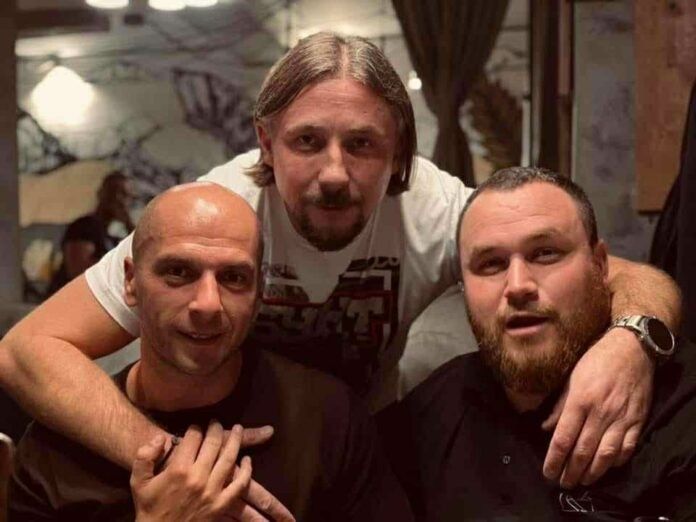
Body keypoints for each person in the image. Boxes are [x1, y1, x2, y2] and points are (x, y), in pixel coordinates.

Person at [0, 32, 681, 494]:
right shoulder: (219, 214)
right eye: (306, 142)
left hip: (359, 454)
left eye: (362, 144)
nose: (334, 173)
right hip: (207, 442)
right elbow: (27, 348)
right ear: (265, 144)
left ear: (400, 152)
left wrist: (632, 343)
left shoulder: (435, 209)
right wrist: (161, 457)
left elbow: (618, 275)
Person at [8, 183, 412, 521]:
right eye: (178, 272)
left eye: (233, 278)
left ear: (259, 294)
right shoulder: (55, 449)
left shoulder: (327, 420)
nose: (208, 304)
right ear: (130, 282)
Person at [380, 167, 696, 521]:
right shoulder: (426, 422)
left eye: (545, 254)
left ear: (600, 265)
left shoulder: (681, 409)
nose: (518, 285)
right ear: (463, 288)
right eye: (491, 264)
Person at [48, 171, 135, 295]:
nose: (118, 199)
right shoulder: (84, 226)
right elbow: (78, 271)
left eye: (125, 195)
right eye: (113, 192)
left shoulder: (114, 236)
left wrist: (129, 224)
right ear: (101, 194)